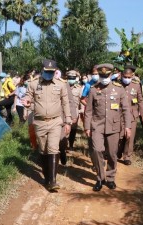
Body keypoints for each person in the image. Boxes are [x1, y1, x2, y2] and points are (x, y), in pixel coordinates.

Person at [22, 59, 72, 191]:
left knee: (53, 149)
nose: (48, 74)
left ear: (55, 72)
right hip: (39, 122)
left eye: (51, 72)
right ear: (42, 70)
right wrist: (26, 101)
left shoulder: (61, 85)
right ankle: (47, 176)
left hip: (56, 121)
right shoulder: (33, 84)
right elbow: (28, 96)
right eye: (46, 71)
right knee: (43, 150)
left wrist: (68, 121)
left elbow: (66, 103)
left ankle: (53, 181)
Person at [84, 63, 131, 191]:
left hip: (114, 126)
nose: (104, 77)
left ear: (111, 74)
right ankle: (100, 178)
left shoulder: (119, 89)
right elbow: (88, 111)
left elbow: (126, 109)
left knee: (112, 153)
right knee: (97, 150)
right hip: (97, 126)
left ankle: (110, 178)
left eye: (106, 75)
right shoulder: (93, 89)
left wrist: (128, 127)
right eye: (101, 75)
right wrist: (87, 127)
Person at [118, 67, 143, 165]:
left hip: (132, 115)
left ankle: (127, 156)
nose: (126, 79)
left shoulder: (137, 85)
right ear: (122, 76)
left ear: (132, 76)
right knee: (119, 135)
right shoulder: (117, 84)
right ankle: (117, 151)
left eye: (128, 77)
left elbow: (140, 101)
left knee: (129, 136)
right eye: (125, 77)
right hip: (119, 114)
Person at [67, 70, 83, 150]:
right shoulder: (63, 87)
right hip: (64, 111)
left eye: (73, 78)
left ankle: (71, 145)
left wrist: (81, 111)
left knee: (73, 130)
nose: (71, 79)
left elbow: (81, 100)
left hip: (75, 112)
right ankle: (62, 145)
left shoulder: (79, 88)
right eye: (70, 77)